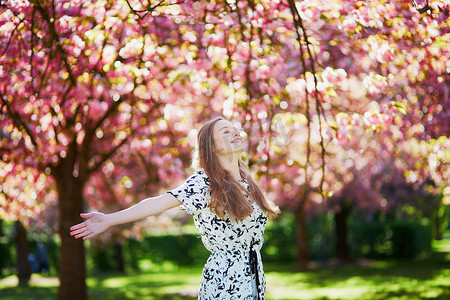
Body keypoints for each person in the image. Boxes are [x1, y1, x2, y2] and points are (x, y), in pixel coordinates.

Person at [70, 116, 280, 299]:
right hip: (225, 280)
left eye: (235, 130)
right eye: (225, 131)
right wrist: (110, 219)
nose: (235, 133)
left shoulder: (246, 181)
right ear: (212, 146)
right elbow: (159, 202)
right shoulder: (204, 183)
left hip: (253, 275)